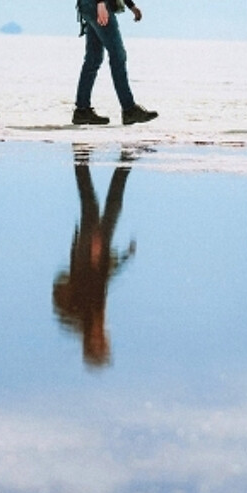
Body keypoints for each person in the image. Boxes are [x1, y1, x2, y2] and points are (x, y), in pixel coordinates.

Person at [52, 145, 136, 368]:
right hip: (95, 255)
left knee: (94, 203)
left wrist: (92, 252)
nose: (103, 338)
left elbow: (86, 282)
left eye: (99, 343)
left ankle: (85, 156)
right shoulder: (93, 318)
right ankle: (117, 157)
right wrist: (122, 259)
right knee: (105, 203)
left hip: (89, 255)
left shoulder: (82, 317)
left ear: (90, 342)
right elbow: (103, 282)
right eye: (105, 343)